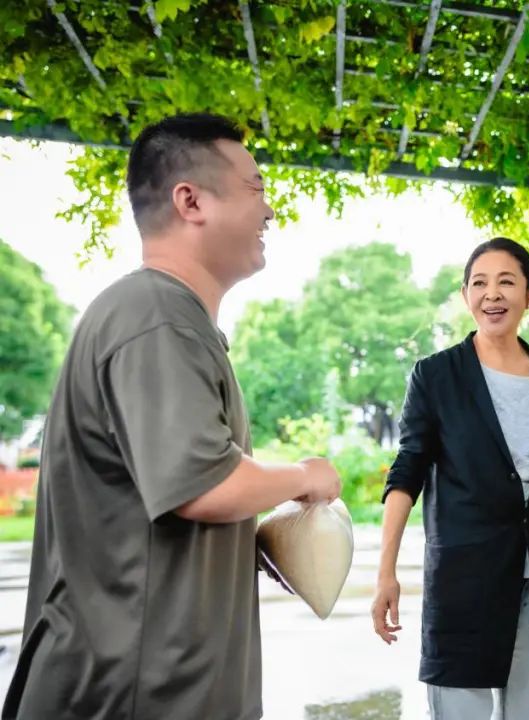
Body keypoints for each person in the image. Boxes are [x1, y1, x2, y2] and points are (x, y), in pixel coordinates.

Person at [2, 113, 342, 720]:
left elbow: (183, 491)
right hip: (134, 696)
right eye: (256, 190)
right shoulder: (156, 318)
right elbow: (205, 486)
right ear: (191, 201)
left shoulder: (167, 319)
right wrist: (306, 475)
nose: (269, 213)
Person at [370, 237, 529, 720]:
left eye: (507, 281)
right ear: (466, 296)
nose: (492, 294)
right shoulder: (436, 376)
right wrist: (386, 572)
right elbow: (407, 473)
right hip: (463, 581)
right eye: (479, 283)